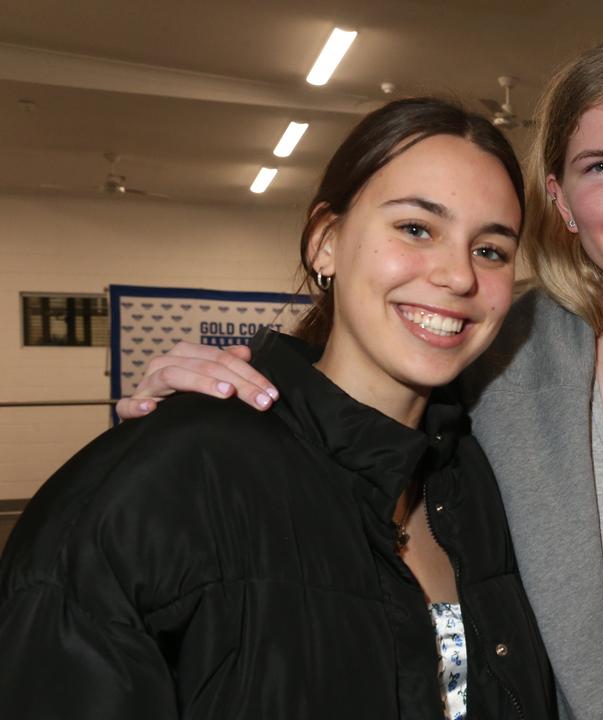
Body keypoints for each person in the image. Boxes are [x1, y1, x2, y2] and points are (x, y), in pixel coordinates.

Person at [114, 39, 603, 719]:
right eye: (600, 165)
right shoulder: (491, 369)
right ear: (560, 200)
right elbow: (342, 411)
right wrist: (219, 388)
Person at [0, 97, 556, 720]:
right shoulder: (171, 476)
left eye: (491, 250)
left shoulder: (477, 483)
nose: (458, 276)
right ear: (325, 243)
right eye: (416, 228)